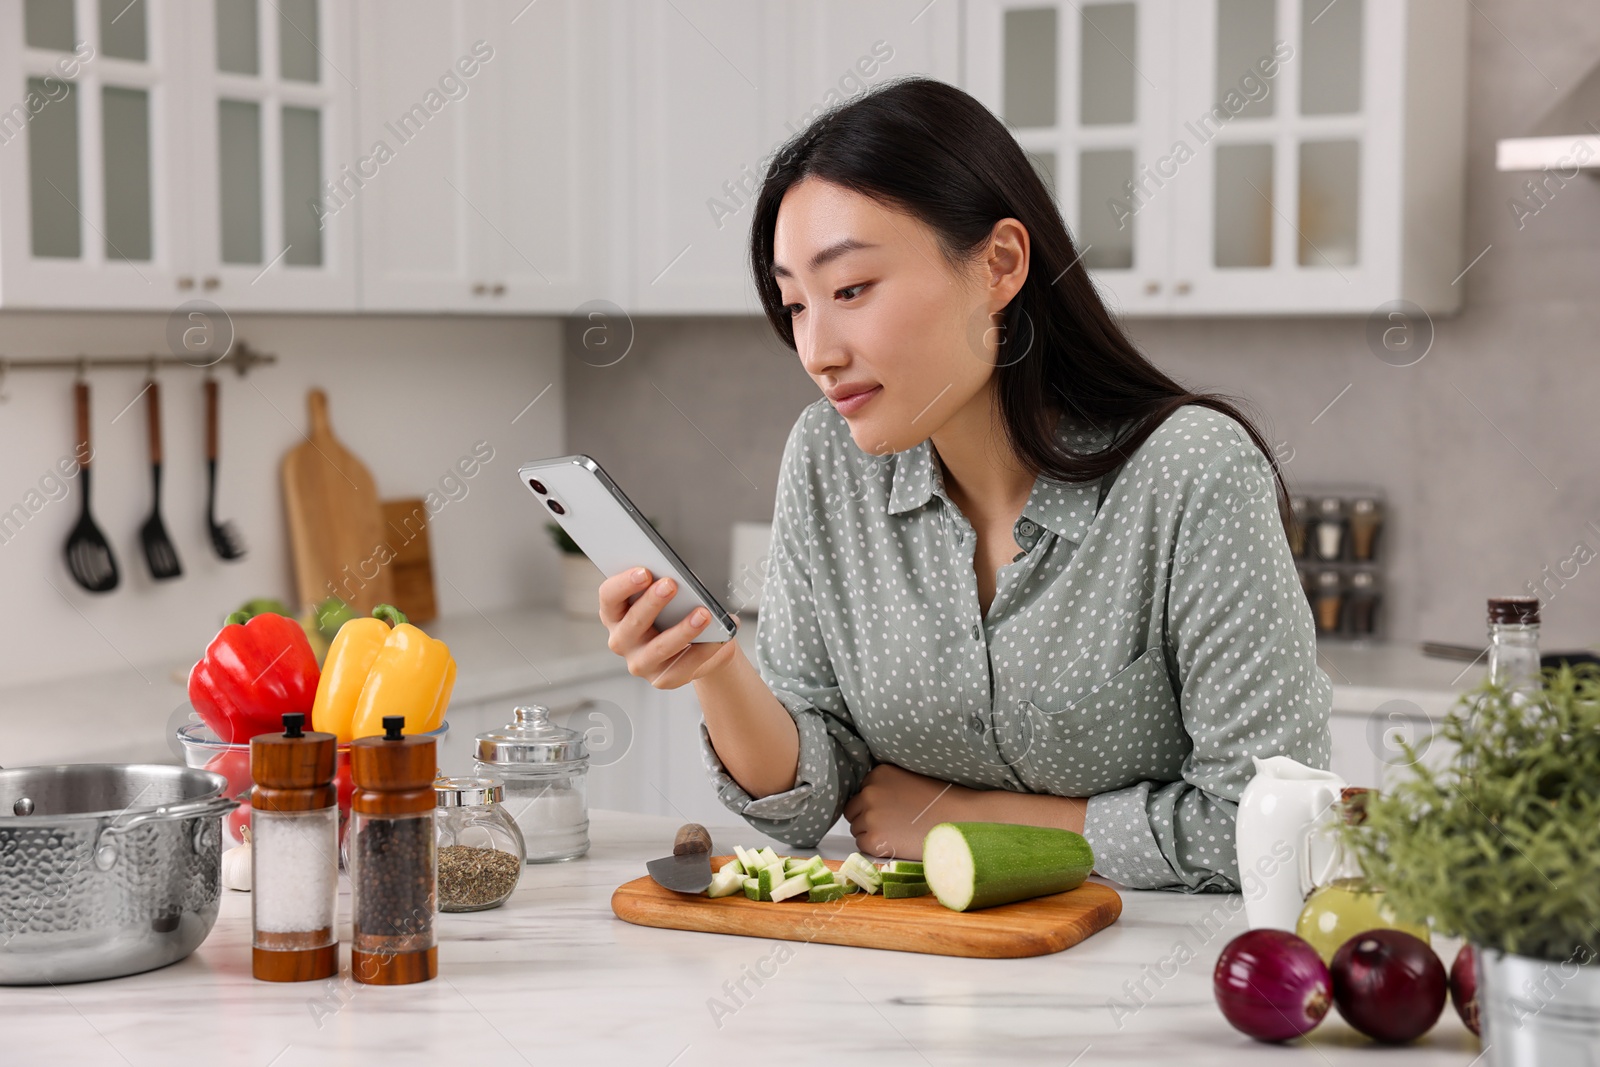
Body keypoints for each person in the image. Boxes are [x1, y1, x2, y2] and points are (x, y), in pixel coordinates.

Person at [596, 77, 1330, 893]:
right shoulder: (829, 460)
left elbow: (1271, 824)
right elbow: (802, 802)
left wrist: (960, 816)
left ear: (1000, 264)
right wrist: (713, 664)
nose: (817, 350)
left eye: (850, 291)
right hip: (918, 976)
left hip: (1153, 980)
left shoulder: (1190, 473)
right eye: (795, 303)